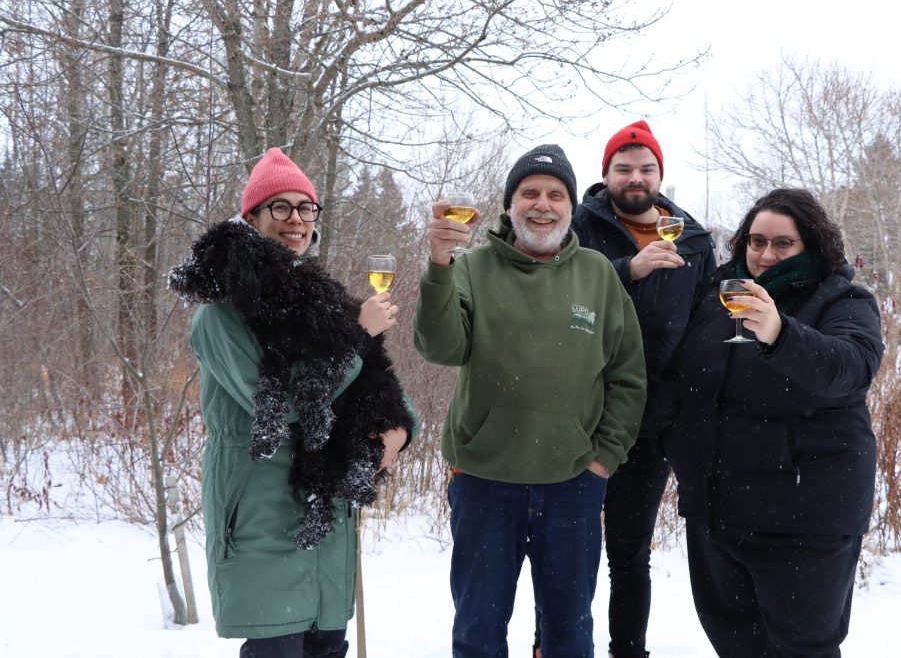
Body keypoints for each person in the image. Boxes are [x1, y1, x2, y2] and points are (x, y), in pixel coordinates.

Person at [414, 144, 647, 658]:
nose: (543, 204)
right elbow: (439, 347)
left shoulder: (598, 274)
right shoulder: (472, 267)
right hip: (483, 482)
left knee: (569, 636)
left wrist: (604, 459)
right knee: (478, 633)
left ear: (570, 206)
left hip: (572, 485)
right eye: (530, 193)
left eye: (556, 194)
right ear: (510, 203)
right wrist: (438, 264)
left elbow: (628, 375)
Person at [185, 148, 418, 658]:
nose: (295, 220)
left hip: (325, 517)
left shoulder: (320, 300)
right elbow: (287, 406)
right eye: (280, 207)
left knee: (325, 646)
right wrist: (357, 337)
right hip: (260, 516)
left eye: (305, 208)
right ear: (251, 218)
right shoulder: (221, 315)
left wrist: (401, 428)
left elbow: (374, 382)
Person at [660, 188, 885, 657]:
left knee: (801, 648)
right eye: (756, 241)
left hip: (805, 515)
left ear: (811, 246)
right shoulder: (716, 299)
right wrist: (674, 449)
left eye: (783, 243)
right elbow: (681, 384)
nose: (765, 254)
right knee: (735, 642)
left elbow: (849, 368)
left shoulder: (841, 299)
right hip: (717, 511)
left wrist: (779, 332)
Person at [532, 120, 716, 658]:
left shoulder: (695, 240)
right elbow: (547, 293)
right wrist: (626, 270)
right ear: (605, 173)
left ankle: (628, 650)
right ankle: (555, 645)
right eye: (623, 168)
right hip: (576, 412)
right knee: (564, 546)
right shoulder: (577, 228)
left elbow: (704, 326)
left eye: (646, 168)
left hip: (651, 420)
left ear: (661, 174)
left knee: (630, 552)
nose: (635, 178)